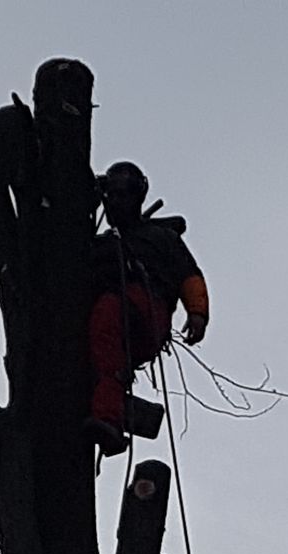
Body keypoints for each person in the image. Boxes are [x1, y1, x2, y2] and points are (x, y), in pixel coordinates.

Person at [88, 160, 209, 454]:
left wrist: (198, 313)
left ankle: (109, 418)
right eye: (112, 195)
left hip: (145, 310)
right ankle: (103, 406)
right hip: (115, 322)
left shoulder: (160, 238)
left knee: (107, 314)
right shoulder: (99, 246)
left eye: (123, 194)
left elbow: (189, 275)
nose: (117, 202)